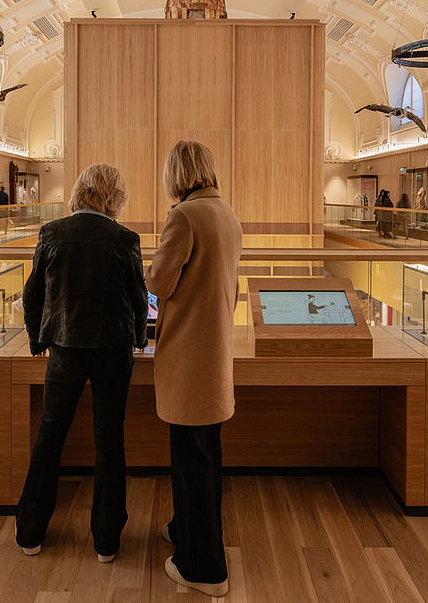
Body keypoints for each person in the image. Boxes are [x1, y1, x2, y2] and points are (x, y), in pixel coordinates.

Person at [16, 163, 147, 563]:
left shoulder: (52, 233)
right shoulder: (125, 239)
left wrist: (38, 339)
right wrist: (140, 339)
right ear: (115, 196)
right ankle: (106, 540)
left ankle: (30, 532)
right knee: (109, 439)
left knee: (50, 434)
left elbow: (33, 295)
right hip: (113, 350)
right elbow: (138, 299)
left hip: (65, 349)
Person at [147, 140, 242, 598]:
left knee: (191, 463)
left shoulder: (184, 216)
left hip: (188, 357)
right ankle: (183, 529)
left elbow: (158, 281)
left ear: (177, 173)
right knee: (204, 457)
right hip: (213, 355)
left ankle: (203, 568)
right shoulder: (227, 214)